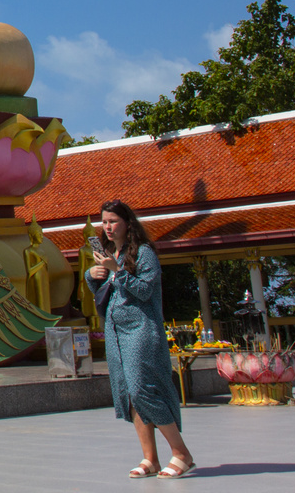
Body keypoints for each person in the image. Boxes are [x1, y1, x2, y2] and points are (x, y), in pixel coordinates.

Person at [88, 200, 195, 479]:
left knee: (142, 389)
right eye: (104, 222)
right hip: (115, 331)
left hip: (141, 329)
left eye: (113, 221)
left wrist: (117, 271)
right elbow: (105, 294)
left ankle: (181, 452)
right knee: (128, 393)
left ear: (127, 223)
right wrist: (93, 276)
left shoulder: (144, 253)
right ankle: (151, 458)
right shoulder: (111, 252)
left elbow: (145, 291)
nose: (108, 227)